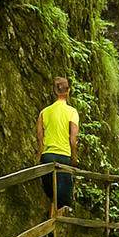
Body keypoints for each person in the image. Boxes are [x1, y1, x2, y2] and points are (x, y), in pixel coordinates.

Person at [36, 76, 79, 211]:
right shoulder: (72, 112)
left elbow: (39, 138)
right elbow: (73, 139)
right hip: (63, 157)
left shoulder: (44, 112)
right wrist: (74, 157)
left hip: (47, 156)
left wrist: (39, 157)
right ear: (68, 91)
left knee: (51, 196)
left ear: (54, 92)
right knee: (63, 201)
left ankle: (49, 227)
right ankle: (55, 228)